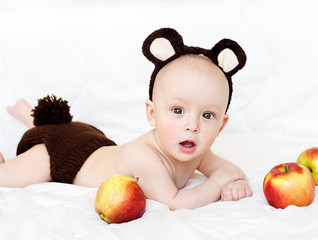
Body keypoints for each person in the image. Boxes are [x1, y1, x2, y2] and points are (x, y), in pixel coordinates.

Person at [0, 28, 252, 210]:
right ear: (152, 114)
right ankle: (27, 121)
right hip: (65, 156)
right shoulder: (146, 157)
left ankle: (27, 114)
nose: (192, 125)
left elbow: (230, 171)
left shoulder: (193, 145)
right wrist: (220, 182)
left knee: (55, 127)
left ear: (222, 125)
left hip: (93, 142)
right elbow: (176, 202)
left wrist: (235, 182)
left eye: (207, 115)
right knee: (6, 177)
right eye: (178, 110)